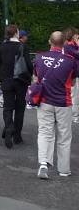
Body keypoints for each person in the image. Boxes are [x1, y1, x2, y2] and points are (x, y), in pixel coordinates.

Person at [34, 31, 79, 179]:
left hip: (44, 101)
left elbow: (36, 77)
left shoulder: (39, 57)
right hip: (63, 102)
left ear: (50, 41)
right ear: (64, 43)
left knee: (45, 132)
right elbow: (72, 82)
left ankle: (43, 163)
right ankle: (64, 170)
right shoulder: (71, 61)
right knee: (64, 136)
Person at [0, 24, 33, 148]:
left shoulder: (2, 47)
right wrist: (30, 77)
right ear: (16, 33)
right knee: (20, 109)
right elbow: (28, 64)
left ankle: (8, 127)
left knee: (7, 107)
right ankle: (17, 136)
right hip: (21, 81)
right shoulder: (22, 46)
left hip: (6, 81)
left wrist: (1, 80)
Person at [63, 26, 79, 124]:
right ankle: (75, 117)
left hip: (75, 74)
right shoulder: (68, 46)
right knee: (75, 97)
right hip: (73, 74)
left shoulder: (72, 45)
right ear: (72, 35)